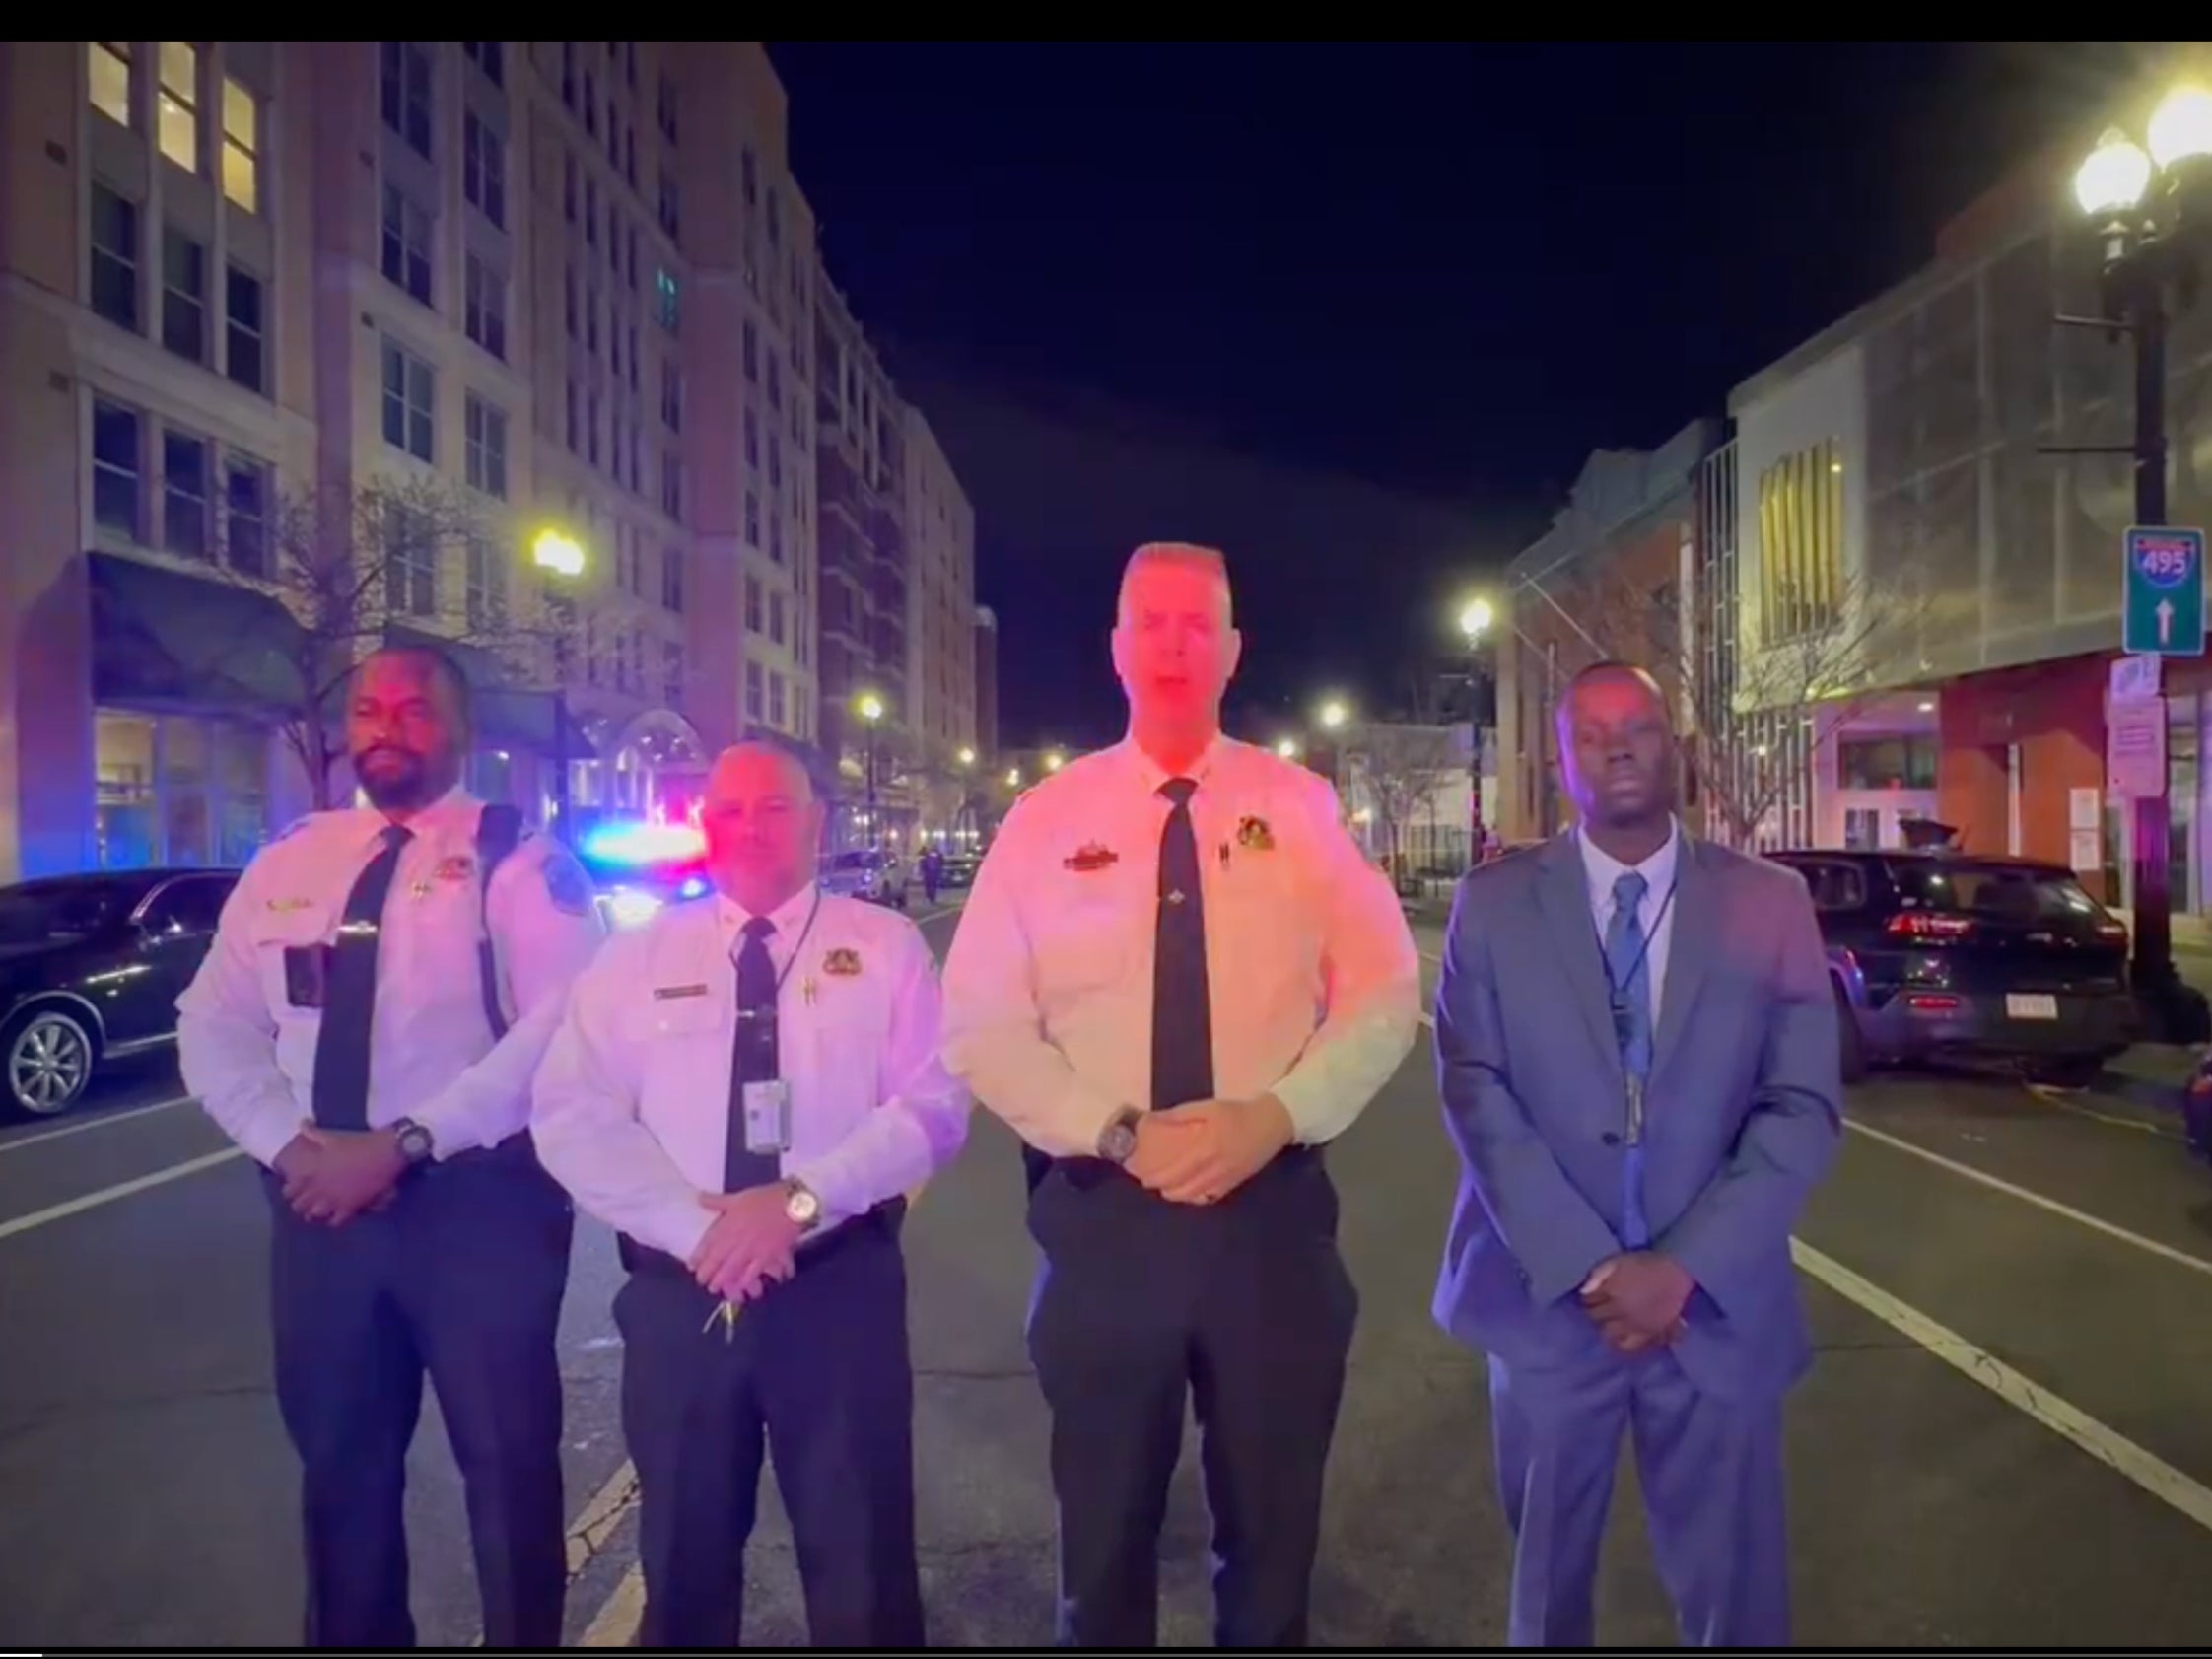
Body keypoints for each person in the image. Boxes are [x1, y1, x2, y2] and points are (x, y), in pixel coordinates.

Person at [941, 541, 1420, 1648]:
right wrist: (1112, 1131)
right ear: (1115, 648)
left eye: (1198, 624)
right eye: (1151, 623)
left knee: (1271, 1551)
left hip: (1272, 1229)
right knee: (1102, 1552)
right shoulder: (1045, 821)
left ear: (1234, 649)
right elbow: (979, 1023)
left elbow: (1384, 990)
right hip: (1105, 1226)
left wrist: (1279, 1116)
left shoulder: (1295, 806)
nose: (1173, 644)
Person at [176, 644, 607, 1649]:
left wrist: (409, 1141)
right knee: (341, 1471)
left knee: (506, 1470)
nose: (386, 727)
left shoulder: (520, 860)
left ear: (461, 731)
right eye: (370, 709)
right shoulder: (293, 860)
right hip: (321, 1212)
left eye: (414, 711)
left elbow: (561, 1030)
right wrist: (289, 1148)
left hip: (477, 1212)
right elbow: (213, 1020)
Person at [1429, 659, 1842, 1648]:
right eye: (1593, 733)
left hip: (1715, 1308)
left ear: (1677, 747)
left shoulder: (1769, 900)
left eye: (1641, 728)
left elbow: (1801, 1102)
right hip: (1544, 1303)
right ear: (1561, 760)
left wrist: (1684, 1268)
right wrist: (1588, 1266)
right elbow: (1474, 1089)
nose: (1619, 747)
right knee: (1545, 1591)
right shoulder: (1491, 905)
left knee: (1736, 1596)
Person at [531, 740, 970, 1649]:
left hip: (836, 1291)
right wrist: (698, 1229)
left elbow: (935, 1108)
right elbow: (571, 1114)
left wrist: (800, 1201)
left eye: (774, 807)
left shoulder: (881, 946)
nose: (749, 828)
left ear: (817, 820)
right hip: (676, 1295)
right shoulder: (635, 958)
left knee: (863, 1567)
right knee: (683, 1565)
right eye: (728, 810)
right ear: (704, 824)